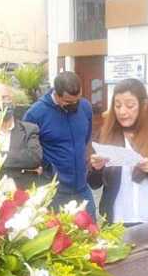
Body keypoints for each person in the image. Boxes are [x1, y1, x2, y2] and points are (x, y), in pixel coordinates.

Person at [89, 79, 148, 224]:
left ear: (144, 105)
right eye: (117, 105)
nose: (122, 112)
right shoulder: (106, 134)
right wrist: (96, 169)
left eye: (130, 106)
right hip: (116, 222)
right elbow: (93, 183)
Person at [23, 71, 96, 219]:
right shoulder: (36, 114)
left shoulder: (85, 107)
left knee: (92, 233)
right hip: (54, 190)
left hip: (82, 187)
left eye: (78, 100)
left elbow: (85, 138)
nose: (75, 105)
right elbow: (27, 149)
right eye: (69, 102)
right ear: (56, 94)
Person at [0, 82, 43, 191]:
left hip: (23, 196)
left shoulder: (29, 129)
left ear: (13, 102)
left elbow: (34, 158)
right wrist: (21, 165)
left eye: (5, 98)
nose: (2, 103)